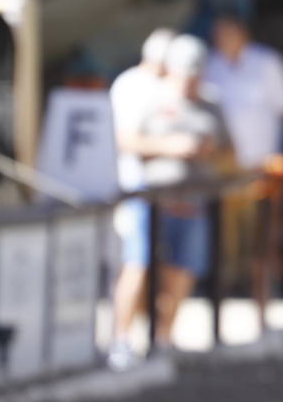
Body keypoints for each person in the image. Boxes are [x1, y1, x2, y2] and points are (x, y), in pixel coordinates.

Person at [137, 33, 237, 348]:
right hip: (158, 203)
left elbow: (231, 151)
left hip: (196, 202)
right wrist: (170, 147)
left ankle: (165, 333)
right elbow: (128, 142)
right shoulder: (152, 100)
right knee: (144, 270)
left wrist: (208, 151)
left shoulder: (212, 103)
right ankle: (144, 331)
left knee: (183, 271)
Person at [203, 9, 283, 291]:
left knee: (264, 233)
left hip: (262, 163)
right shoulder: (210, 65)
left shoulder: (268, 63)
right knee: (225, 234)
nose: (220, 38)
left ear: (241, 32)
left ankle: (264, 292)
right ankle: (225, 290)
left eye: (225, 32)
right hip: (223, 165)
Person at [106, 27, 173, 369]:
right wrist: (172, 147)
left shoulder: (148, 85)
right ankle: (120, 339)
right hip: (134, 190)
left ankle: (150, 338)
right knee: (135, 265)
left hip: (155, 193)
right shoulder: (134, 86)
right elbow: (126, 139)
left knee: (156, 266)